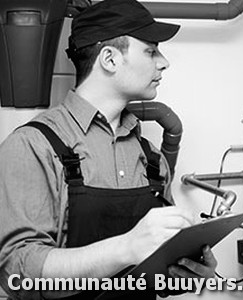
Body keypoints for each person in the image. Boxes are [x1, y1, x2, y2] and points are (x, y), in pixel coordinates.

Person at [0, 0, 217, 299]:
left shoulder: (152, 158)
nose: (163, 62)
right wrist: (126, 247)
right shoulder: (33, 145)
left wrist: (185, 273)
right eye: (151, 51)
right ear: (110, 59)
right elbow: (18, 272)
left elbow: (155, 269)